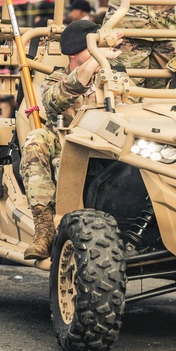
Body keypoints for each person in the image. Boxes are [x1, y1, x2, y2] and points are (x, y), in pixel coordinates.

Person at [21, 20, 121, 260]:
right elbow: (54, 101)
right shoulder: (56, 79)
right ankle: (44, 231)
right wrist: (97, 61)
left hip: (112, 149)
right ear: (75, 53)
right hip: (68, 149)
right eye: (93, 46)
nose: (100, 52)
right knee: (37, 139)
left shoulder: (115, 77)